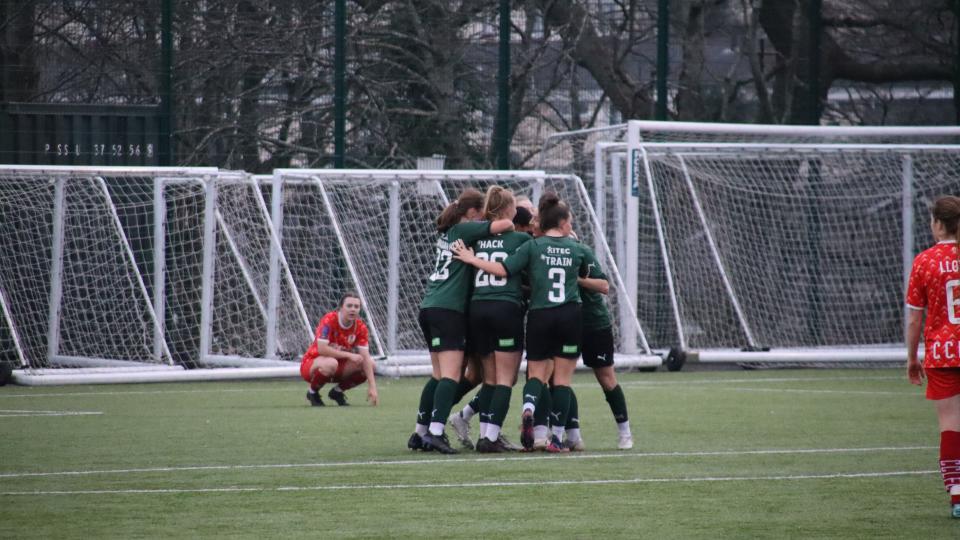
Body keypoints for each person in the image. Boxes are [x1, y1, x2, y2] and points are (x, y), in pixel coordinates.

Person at [452, 192, 598, 452]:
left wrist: (472, 257)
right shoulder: (525, 241)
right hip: (514, 310)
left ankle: (458, 426)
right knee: (514, 380)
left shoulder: (479, 237)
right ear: (510, 212)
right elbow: (511, 269)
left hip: (476, 309)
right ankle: (503, 437)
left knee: (489, 378)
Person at [408, 188, 515, 454]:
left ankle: (420, 432)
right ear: (472, 213)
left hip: (430, 307)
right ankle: (435, 432)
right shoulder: (465, 230)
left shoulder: (448, 233)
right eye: (481, 214)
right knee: (452, 375)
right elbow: (507, 223)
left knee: (437, 375)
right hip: (449, 310)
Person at [906, 195, 960, 519]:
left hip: (943, 352)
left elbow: (914, 318)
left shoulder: (925, 262)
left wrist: (912, 357)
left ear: (938, 224)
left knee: (950, 424)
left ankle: (957, 496)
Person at [576, 246, 634, 450]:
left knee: (606, 378)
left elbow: (603, 285)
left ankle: (625, 432)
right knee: (556, 379)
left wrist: (577, 280)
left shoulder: (580, 250)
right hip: (564, 323)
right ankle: (567, 435)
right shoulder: (538, 247)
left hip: (593, 324)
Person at [300, 292, 378, 407]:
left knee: (370, 364)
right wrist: (349, 355)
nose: (353, 309)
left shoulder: (360, 327)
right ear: (341, 307)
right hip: (313, 364)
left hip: (337, 368)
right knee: (331, 363)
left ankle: (337, 392)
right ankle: (312, 393)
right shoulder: (329, 320)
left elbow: (365, 357)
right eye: (349, 306)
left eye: (356, 307)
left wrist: (372, 386)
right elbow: (322, 349)